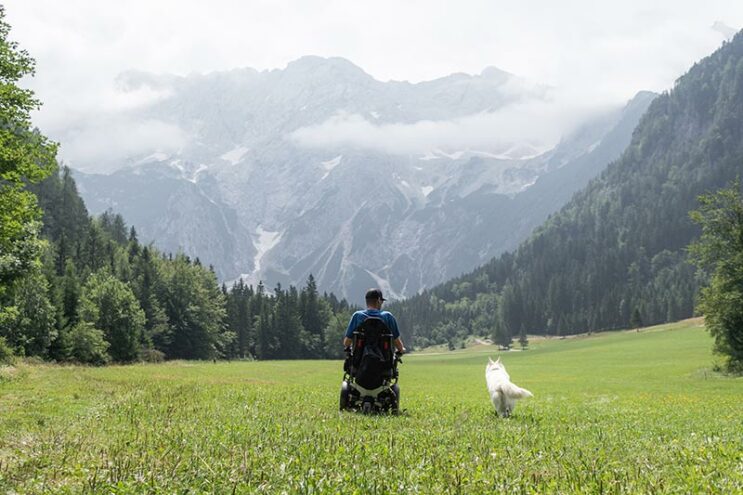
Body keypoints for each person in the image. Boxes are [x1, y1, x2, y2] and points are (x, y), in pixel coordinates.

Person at [343, 288, 406, 354]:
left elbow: (347, 342)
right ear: (379, 300)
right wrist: (401, 349)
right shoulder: (388, 316)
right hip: (384, 361)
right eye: (382, 301)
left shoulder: (357, 316)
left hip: (361, 360)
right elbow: (398, 343)